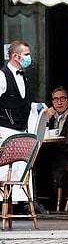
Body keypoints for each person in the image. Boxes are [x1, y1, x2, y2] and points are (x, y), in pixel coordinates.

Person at [0, 41, 35, 202]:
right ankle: (4, 202)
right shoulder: (2, 75)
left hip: (21, 129)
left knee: (21, 166)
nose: (29, 57)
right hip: (5, 129)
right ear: (15, 56)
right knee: (5, 168)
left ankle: (21, 202)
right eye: (26, 54)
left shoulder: (24, 77)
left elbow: (22, 101)